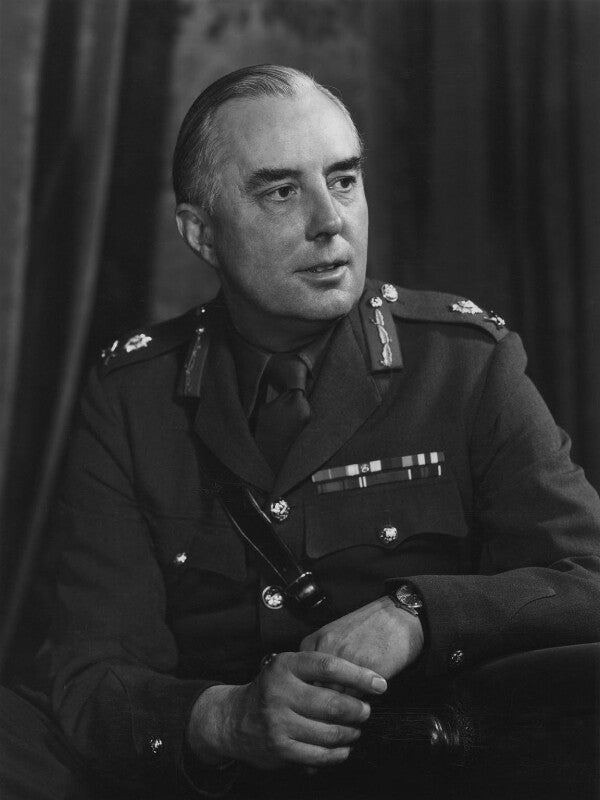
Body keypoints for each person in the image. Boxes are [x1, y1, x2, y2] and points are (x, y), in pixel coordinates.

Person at [2, 64, 600, 800]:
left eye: (344, 180)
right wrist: (225, 719)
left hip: (417, 771)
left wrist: (417, 614)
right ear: (200, 233)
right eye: (281, 191)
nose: (330, 221)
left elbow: (589, 578)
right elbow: (90, 669)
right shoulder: (134, 395)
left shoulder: (464, 364)